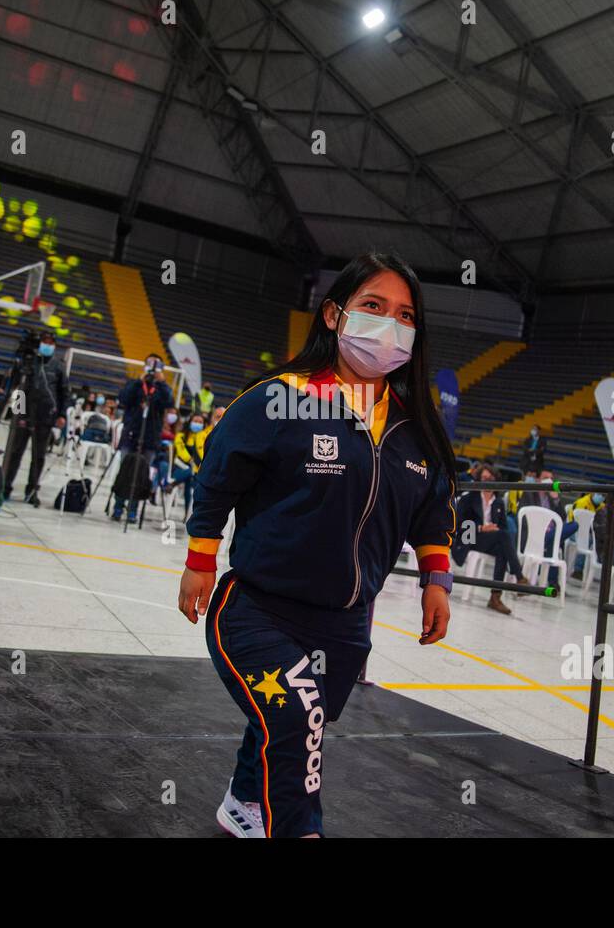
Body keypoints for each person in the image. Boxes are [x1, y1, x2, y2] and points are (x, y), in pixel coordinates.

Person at [177, 251, 455, 839]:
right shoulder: (282, 397)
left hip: (346, 625)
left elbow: (432, 510)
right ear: (334, 315)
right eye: (373, 307)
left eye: (406, 315)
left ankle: (243, 804)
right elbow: (220, 471)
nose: (391, 325)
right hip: (257, 610)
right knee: (298, 716)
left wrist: (438, 581)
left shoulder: (415, 427)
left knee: (299, 720)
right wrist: (199, 559)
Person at [452, 462, 533, 615]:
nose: (486, 480)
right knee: (503, 536)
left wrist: (493, 530)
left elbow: (502, 527)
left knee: (503, 547)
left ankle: (495, 597)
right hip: (469, 538)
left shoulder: (498, 502)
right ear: (478, 479)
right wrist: (481, 528)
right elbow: (459, 524)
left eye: (490, 478)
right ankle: (519, 577)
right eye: (483, 478)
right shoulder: (469, 498)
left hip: (489, 540)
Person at [3, 329, 68, 507]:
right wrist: (18, 413)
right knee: (15, 452)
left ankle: (31, 490)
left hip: (45, 416)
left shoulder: (58, 366)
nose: (47, 345)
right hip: (23, 413)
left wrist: (61, 415)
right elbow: (17, 387)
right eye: (44, 341)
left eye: (51, 342)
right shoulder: (27, 362)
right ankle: (5, 487)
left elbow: (64, 393)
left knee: (38, 456)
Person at [111, 353, 174, 522]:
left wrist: (161, 383)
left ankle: (133, 510)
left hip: (151, 437)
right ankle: (118, 506)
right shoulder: (136, 383)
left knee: (142, 474)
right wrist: (139, 381)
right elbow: (123, 398)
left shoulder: (161, 388)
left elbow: (169, 402)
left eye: (156, 365)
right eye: (150, 364)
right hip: (131, 434)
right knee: (125, 470)